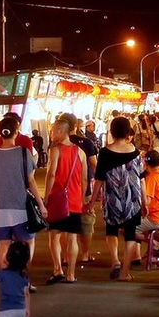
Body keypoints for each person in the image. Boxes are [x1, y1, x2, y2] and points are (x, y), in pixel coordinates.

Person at [83, 116, 147, 282]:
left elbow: (99, 179)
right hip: (133, 199)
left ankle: (115, 261)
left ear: (111, 131)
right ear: (128, 132)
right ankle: (125, 272)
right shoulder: (135, 152)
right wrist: (145, 202)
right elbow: (141, 179)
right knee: (130, 234)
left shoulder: (104, 152)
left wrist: (91, 203)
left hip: (112, 197)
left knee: (111, 230)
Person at [0, 117, 46, 289]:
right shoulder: (23, 153)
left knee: (3, 243)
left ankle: (6, 282)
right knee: (27, 243)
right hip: (19, 206)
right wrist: (41, 205)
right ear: (16, 132)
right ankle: (23, 280)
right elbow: (31, 181)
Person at [44, 117, 87, 285]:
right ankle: (71, 274)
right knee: (72, 238)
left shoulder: (56, 150)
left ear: (61, 131)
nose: (52, 133)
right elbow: (84, 179)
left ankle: (58, 269)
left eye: (53, 131)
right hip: (75, 200)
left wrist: (46, 196)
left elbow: (51, 174)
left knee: (54, 235)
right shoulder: (80, 152)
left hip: (57, 199)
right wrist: (83, 199)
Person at [59, 112, 97, 264]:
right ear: (77, 125)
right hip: (82, 190)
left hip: (62, 191)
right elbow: (94, 165)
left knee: (63, 225)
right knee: (86, 222)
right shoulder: (86, 143)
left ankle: (66, 256)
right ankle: (85, 254)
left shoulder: (58, 144)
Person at [131, 150, 159, 263]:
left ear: (145, 163)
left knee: (128, 229)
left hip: (157, 217)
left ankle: (155, 244)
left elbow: (147, 201)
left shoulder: (152, 178)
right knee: (144, 226)